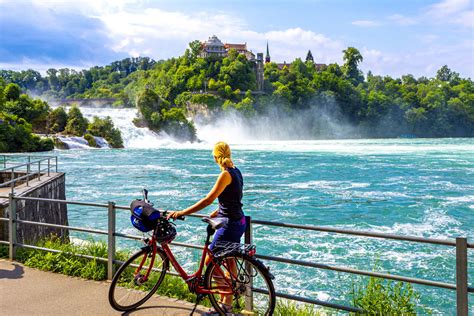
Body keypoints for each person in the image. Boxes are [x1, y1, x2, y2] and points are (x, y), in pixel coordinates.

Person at [167, 141, 246, 313]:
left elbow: (207, 199)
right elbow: (234, 197)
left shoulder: (225, 174)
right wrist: (219, 210)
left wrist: (182, 212)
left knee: (211, 262)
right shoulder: (237, 171)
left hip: (229, 224)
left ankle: (224, 305)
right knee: (229, 261)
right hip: (239, 222)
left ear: (215, 157)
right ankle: (226, 304)